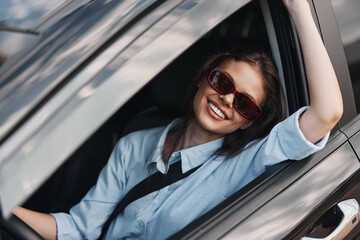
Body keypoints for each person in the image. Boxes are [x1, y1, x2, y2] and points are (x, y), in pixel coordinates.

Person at [13, 0, 343, 239]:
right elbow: (79, 229)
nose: (226, 99)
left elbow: (327, 112)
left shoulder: (243, 164)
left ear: (247, 122)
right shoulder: (133, 145)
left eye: (244, 104)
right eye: (223, 82)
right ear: (203, 78)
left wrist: (299, 7)